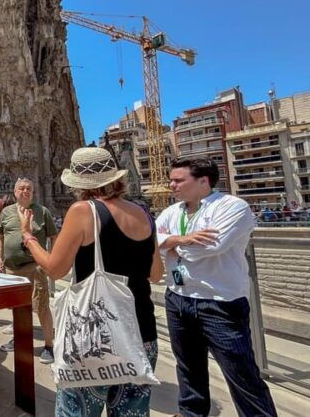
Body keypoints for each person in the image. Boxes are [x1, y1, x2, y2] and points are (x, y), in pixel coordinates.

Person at [17, 147, 164, 416]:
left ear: (79, 183)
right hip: (142, 333)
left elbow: (55, 269)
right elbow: (156, 273)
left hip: (95, 337)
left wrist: (28, 237)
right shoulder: (144, 213)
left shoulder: (84, 210)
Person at [156, 157, 277, 417]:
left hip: (219, 302)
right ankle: (191, 413)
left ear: (203, 181)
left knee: (241, 373)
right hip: (178, 297)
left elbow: (211, 246)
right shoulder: (172, 212)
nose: (171, 185)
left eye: (178, 180)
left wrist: (171, 245)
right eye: (171, 180)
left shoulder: (233, 207)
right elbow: (151, 240)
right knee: (188, 367)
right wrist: (181, 239)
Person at [0, 177, 57, 363]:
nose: (25, 191)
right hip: (12, 269)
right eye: (21, 188)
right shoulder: (6, 212)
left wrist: (50, 260)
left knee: (42, 307)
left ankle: (49, 346)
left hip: (34, 268)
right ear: (15, 192)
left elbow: (54, 236)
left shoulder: (42, 212)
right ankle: (19, 339)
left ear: (33, 192)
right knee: (17, 308)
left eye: (28, 188)